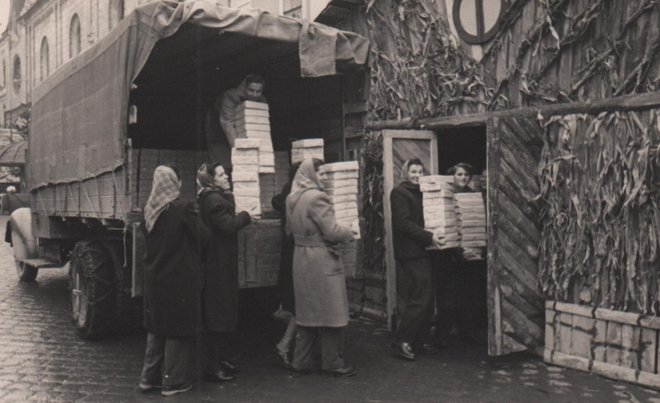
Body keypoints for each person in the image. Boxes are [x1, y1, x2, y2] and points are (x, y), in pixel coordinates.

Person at [286, 158, 359, 377]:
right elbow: (332, 231)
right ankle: (333, 363)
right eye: (321, 173)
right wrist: (351, 232)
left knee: (307, 314)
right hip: (321, 259)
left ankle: (301, 360)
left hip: (301, 258)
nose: (325, 177)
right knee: (332, 313)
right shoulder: (317, 197)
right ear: (311, 175)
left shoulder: (293, 197)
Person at [138, 165, 203, 397]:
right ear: (174, 182)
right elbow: (201, 237)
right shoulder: (180, 208)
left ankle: (148, 379)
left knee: (157, 328)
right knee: (178, 329)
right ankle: (173, 382)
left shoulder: (149, 210)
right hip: (178, 279)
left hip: (155, 278)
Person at [197, 162, 253, 382]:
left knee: (221, 311)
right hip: (217, 264)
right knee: (219, 314)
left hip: (218, 262)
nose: (227, 177)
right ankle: (213, 366)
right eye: (221, 174)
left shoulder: (211, 197)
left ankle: (219, 360)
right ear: (211, 180)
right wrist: (246, 216)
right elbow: (228, 226)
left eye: (225, 173)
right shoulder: (213, 201)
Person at [390, 159, 445, 361]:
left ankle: (418, 342)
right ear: (405, 173)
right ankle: (401, 342)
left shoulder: (423, 192)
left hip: (425, 250)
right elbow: (403, 223)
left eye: (420, 171)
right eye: (413, 171)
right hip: (411, 252)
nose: (417, 174)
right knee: (421, 296)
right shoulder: (399, 193)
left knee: (428, 299)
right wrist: (429, 236)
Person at [434, 162, 485, 346]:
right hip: (449, 255)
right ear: (452, 176)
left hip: (469, 255)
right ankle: (442, 335)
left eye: (466, 175)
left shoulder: (473, 196)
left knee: (469, 295)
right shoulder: (445, 197)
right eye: (460, 174)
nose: (463, 178)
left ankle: (467, 332)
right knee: (449, 298)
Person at [270, 162, 300, 369]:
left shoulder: (289, 190)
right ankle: (285, 345)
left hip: (293, 251)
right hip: (297, 252)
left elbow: (275, 201)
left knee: (299, 303)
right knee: (302, 304)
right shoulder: (296, 193)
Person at [205, 74, 267, 165]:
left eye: (258, 91)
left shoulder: (262, 100)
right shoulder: (230, 96)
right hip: (218, 126)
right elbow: (227, 124)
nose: (254, 95)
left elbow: (261, 126)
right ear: (244, 88)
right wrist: (239, 149)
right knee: (222, 160)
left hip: (239, 127)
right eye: (251, 90)